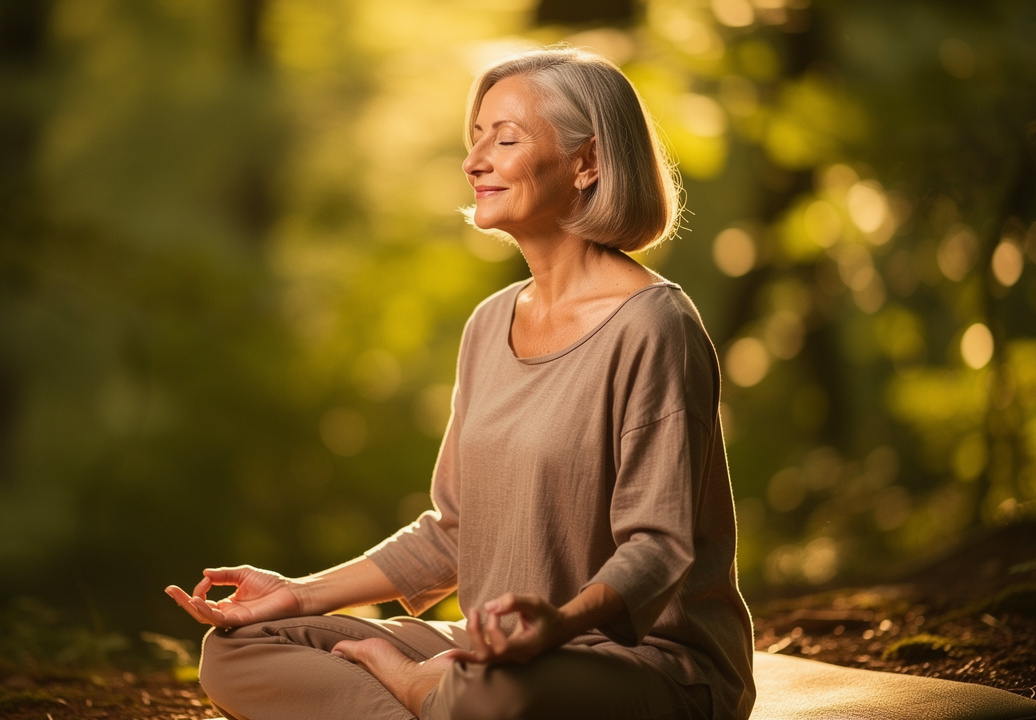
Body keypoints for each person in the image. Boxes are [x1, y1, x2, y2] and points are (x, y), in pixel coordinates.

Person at [165, 46, 756, 720]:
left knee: (495, 695)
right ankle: (441, 700)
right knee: (239, 648)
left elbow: (659, 548)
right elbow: (453, 533)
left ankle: (433, 695)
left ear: (587, 162)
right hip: (488, 658)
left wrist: (555, 628)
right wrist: (299, 594)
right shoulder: (489, 325)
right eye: (475, 139)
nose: (475, 161)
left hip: (648, 666)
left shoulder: (654, 326)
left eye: (504, 139)